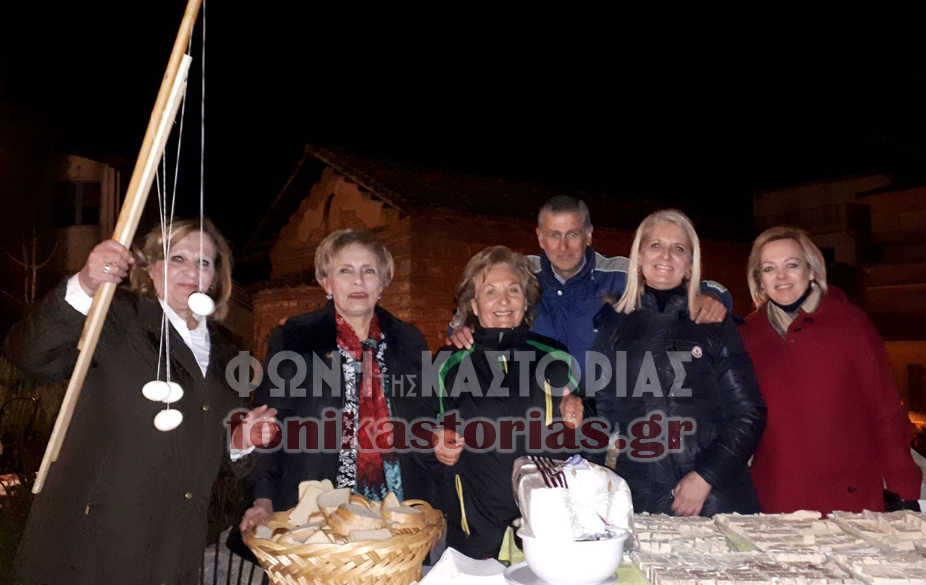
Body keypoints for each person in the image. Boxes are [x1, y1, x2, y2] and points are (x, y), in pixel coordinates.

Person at [7, 219, 273, 585]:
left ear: (215, 277)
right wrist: (86, 283)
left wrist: (239, 443)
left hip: (176, 548)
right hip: (95, 543)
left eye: (204, 263)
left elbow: (210, 453)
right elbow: (30, 355)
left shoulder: (228, 353)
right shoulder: (116, 316)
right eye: (177, 258)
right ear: (150, 267)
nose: (191, 271)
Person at [240, 229, 433, 533]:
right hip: (317, 511)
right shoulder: (295, 338)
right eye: (345, 271)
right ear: (326, 282)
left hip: (397, 510)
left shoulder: (409, 341)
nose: (358, 281)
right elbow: (270, 425)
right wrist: (263, 498)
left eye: (369, 271)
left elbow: (427, 423)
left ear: (383, 283)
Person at [591, 209, 765, 517]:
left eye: (679, 248)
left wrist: (705, 477)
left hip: (715, 500)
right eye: (656, 245)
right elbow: (601, 413)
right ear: (639, 256)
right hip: (642, 499)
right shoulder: (613, 326)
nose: (666, 256)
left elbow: (749, 413)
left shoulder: (713, 322)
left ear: (690, 264)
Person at [740, 226, 921, 515]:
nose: (781, 277)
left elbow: (884, 408)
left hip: (848, 500)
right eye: (769, 269)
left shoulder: (850, 324)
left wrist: (904, 487)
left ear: (811, 270)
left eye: (792, 265)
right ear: (760, 280)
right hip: (774, 500)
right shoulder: (748, 335)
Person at [450, 196, 731, 373]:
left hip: (604, 419)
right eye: (554, 235)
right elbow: (474, 302)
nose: (563, 246)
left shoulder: (619, 273)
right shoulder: (522, 274)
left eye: (573, 234)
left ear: (588, 235)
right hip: (539, 413)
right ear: (540, 237)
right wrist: (460, 328)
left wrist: (710, 296)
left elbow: (679, 278)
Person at [431, 246, 584, 559]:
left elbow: (584, 424)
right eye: (491, 291)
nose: (503, 301)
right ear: (474, 305)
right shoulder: (449, 362)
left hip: (546, 524)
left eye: (513, 290)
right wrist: (436, 439)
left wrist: (579, 410)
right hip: (475, 525)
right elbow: (425, 424)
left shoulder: (555, 355)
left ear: (525, 300)